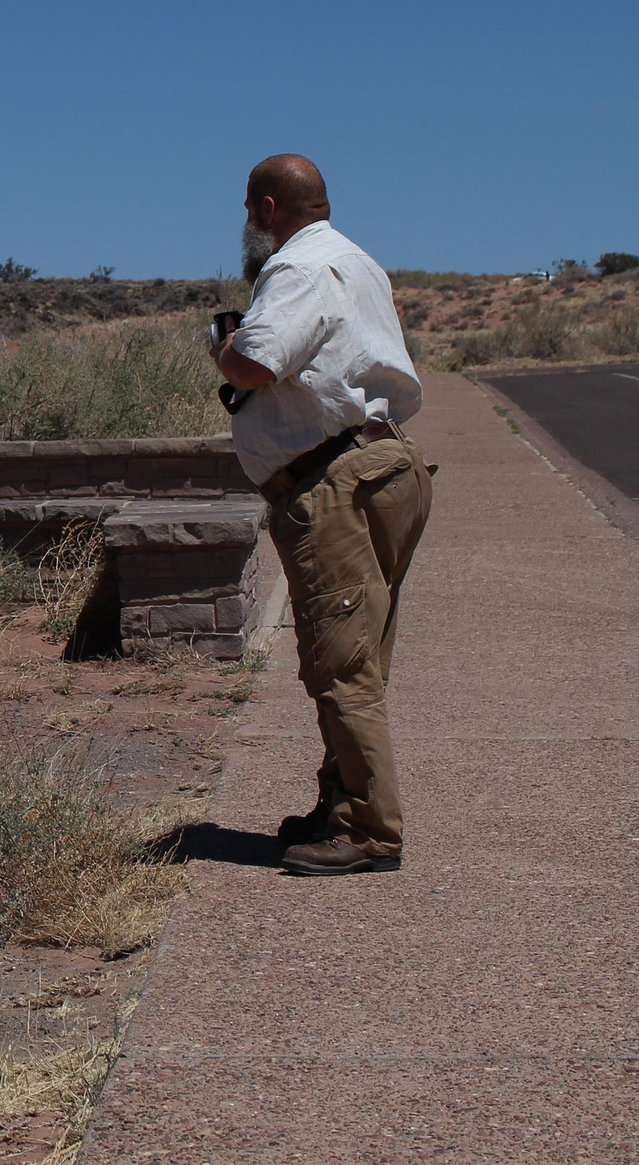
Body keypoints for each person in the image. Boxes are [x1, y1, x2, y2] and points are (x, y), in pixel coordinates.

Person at [208, 154, 432, 877]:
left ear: (268, 207)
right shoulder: (358, 262)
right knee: (359, 651)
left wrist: (223, 348)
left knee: (340, 663)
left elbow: (258, 365)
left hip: (334, 482)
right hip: (388, 465)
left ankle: (368, 828)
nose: (247, 221)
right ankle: (340, 802)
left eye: (250, 207)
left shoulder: (295, 269)